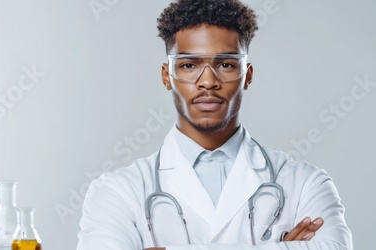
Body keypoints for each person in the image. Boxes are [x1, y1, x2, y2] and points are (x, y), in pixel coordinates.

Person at [77, 0, 353, 249]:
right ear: (166, 76)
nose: (207, 81)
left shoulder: (305, 182)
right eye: (188, 65)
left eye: (226, 65)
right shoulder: (118, 191)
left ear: (247, 75)